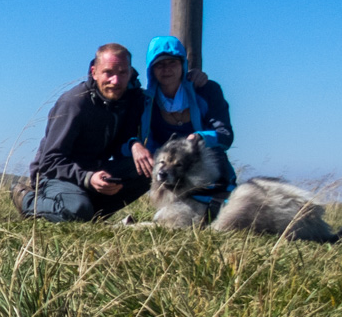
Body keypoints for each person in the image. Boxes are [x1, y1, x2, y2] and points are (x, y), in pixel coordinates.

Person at [17, 43, 149, 221]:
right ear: (94, 72)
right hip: (56, 176)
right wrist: (88, 178)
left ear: (130, 73)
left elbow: (165, 91)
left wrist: (134, 144)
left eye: (122, 73)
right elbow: (49, 162)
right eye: (108, 72)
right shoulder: (74, 104)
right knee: (78, 210)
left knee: (151, 169)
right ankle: (27, 200)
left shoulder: (127, 100)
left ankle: (90, 214)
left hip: (95, 172)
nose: (115, 81)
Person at [127, 36, 233, 186]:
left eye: (173, 62)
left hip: (206, 169)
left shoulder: (206, 90)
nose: (166, 69)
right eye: (159, 64)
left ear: (183, 64)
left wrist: (199, 138)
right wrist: (135, 145)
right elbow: (129, 135)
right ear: (151, 69)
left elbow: (225, 135)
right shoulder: (144, 101)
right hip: (163, 173)